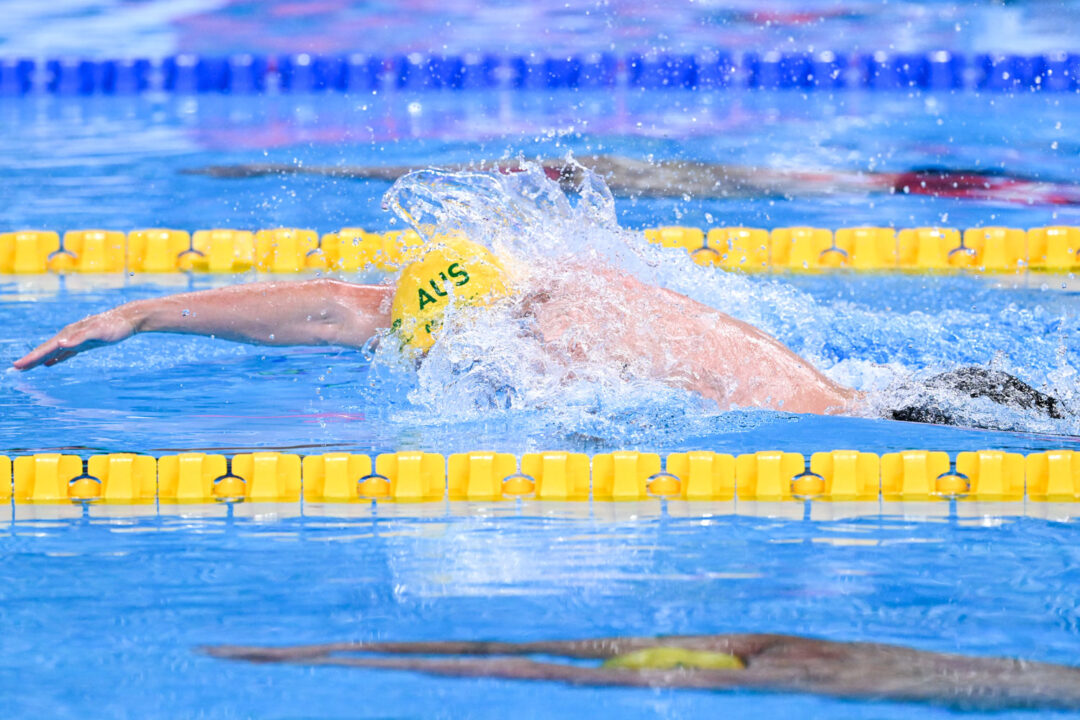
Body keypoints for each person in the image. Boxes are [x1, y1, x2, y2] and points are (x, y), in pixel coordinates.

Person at [11, 238, 1066, 426]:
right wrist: (142, 311)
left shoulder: (552, 327)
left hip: (872, 426)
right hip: (876, 397)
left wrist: (143, 313)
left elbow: (345, 308)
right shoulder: (564, 290)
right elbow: (344, 307)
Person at [203, 632, 1080, 711]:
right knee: (554, 678)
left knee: (568, 666)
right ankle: (308, 654)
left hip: (871, 659)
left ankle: (314, 650)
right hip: (874, 680)